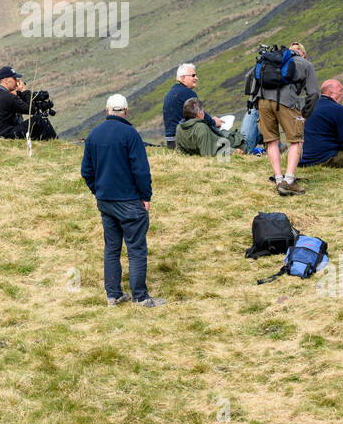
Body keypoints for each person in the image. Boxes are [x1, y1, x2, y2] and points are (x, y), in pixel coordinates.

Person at [80, 94, 161, 307]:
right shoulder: (130, 134)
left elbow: (86, 171)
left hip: (106, 201)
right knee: (136, 249)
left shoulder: (94, 134)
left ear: (106, 111)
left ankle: (113, 295)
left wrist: (98, 191)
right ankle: (140, 297)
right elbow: (141, 170)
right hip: (130, 201)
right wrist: (146, 197)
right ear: (125, 112)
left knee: (112, 248)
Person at [245, 42, 318, 195]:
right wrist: (305, 113)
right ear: (303, 54)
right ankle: (289, 181)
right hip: (286, 101)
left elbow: (250, 76)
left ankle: (279, 180)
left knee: (271, 140)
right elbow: (314, 94)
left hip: (262, 101)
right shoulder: (306, 64)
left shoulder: (269, 60)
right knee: (296, 140)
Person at [0, 66, 57, 140]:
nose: (17, 81)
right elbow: (31, 109)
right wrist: (24, 91)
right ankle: (56, 144)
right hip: (3, 136)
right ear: (6, 80)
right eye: (14, 79)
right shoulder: (8, 97)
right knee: (40, 120)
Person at [162, 63, 221, 150]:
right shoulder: (187, 93)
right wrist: (214, 122)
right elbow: (201, 115)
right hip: (181, 141)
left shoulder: (172, 91)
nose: (196, 78)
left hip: (171, 141)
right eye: (193, 75)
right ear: (183, 78)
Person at [175, 97, 244, 157]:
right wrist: (233, 152)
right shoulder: (201, 128)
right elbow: (208, 154)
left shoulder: (179, 127)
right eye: (202, 110)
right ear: (199, 113)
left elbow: (180, 151)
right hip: (236, 145)